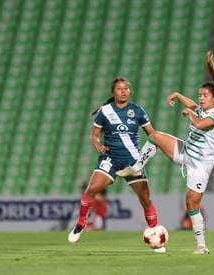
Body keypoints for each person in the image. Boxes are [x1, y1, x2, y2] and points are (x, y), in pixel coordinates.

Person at [116, 51, 214, 254]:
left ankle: (201, 246)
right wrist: (178, 95)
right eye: (200, 95)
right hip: (186, 151)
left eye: (205, 96)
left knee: (191, 203)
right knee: (154, 136)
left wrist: (190, 113)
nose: (201, 98)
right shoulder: (202, 107)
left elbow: (199, 123)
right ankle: (136, 168)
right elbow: (194, 107)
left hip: (201, 164)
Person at [68, 77, 165, 253]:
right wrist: (97, 144)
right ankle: (81, 222)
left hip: (133, 161)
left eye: (126, 88)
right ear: (113, 92)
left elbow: (152, 134)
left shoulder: (137, 111)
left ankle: (155, 233)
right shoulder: (105, 111)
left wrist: (151, 151)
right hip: (110, 158)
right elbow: (94, 135)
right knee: (92, 188)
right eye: (119, 88)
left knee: (145, 199)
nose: (123, 91)